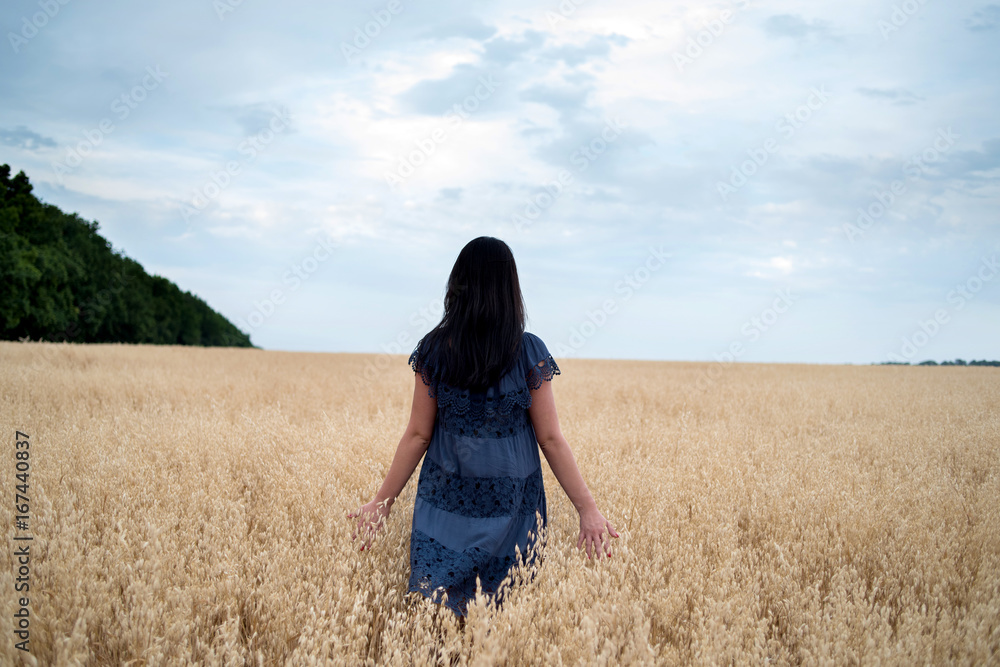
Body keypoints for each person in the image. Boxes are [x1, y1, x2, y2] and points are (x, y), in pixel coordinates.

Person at [347, 236, 619, 617]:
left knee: (438, 620)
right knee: (500, 621)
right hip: (511, 509)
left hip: (445, 509)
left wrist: (382, 503)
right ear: (510, 290)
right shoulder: (528, 352)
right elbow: (551, 438)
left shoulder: (435, 349)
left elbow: (417, 435)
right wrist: (587, 509)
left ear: (457, 287)